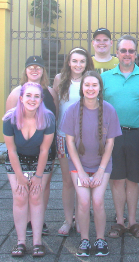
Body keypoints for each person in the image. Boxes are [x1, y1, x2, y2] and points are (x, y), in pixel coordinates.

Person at [102, 35, 139, 240]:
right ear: (117, 53)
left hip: (138, 134)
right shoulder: (105, 78)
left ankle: (133, 221)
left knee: (133, 180)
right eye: (123, 50)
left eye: (131, 51)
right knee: (117, 179)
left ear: (136, 54)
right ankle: (119, 221)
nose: (127, 54)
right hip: (113, 137)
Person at [62, 71, 122, 257]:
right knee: (83, 201)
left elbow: (110, 143)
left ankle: (100, 239)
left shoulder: (109, 110)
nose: (90, 88)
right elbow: (69, 142)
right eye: (87, 85)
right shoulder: (72, 110)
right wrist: (80, 172)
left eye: (94, 85)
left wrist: (100, 171)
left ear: (100, 88)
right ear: (81, 88)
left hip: (101, 166)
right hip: (78, 165)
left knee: (97, 201)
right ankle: (85, 240)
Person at [6, 56, 58, 237]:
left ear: (44, 71)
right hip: (23, 148)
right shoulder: (16, 93)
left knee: (43, 184)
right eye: (31, 67)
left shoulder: (50, 91)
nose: (35, 70)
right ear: (25, 70)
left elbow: (54, 116)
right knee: (23, 188)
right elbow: (9, 122)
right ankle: (27, 220)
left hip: (46, 145)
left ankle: (39, 219)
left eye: (39, 67)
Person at [3, 82, 55, 258]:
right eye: (29, 96)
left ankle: (37, 242)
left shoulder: (48, 118)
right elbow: (11, 150)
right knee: (19, 197)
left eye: (36, 96)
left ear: (41, 100)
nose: (32, 100)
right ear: (21, 98)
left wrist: (38, 177)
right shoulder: (9, 119)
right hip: (17, 160)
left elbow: (44, 150)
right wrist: (19, 176)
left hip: (39, 160)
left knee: (36, 196)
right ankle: (21, 242)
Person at [53, 47, 95, 236]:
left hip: (84, 139)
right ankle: (68, 220)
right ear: (69, 62)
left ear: (87, 63)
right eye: (75, 61)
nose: (78, 65)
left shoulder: (90, 81)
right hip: (63, 136)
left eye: (82, 61)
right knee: (68, 181)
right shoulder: (59, 79)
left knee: (82, 180)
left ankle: (81, 218)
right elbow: (55, 107)